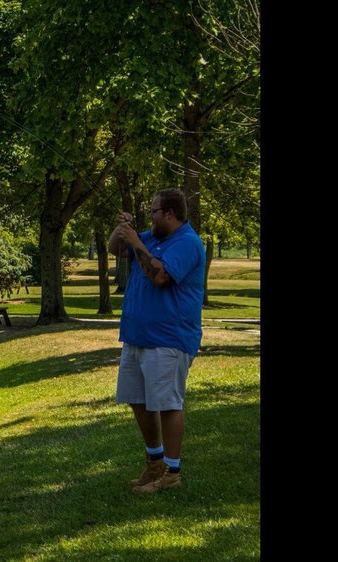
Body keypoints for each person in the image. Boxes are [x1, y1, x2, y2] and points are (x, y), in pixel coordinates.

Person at [108, 188, 205, 493]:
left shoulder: (187, 243)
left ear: (170, 214)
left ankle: (172, 473)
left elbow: (160, 277)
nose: (149, 216)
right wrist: (122, 229)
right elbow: (115, 250)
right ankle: (155, 464)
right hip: (137, 338)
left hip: (168, 339)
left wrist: (136, 241)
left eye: (153, 211)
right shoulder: (151, 238)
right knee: (138, 401)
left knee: (167, 405)